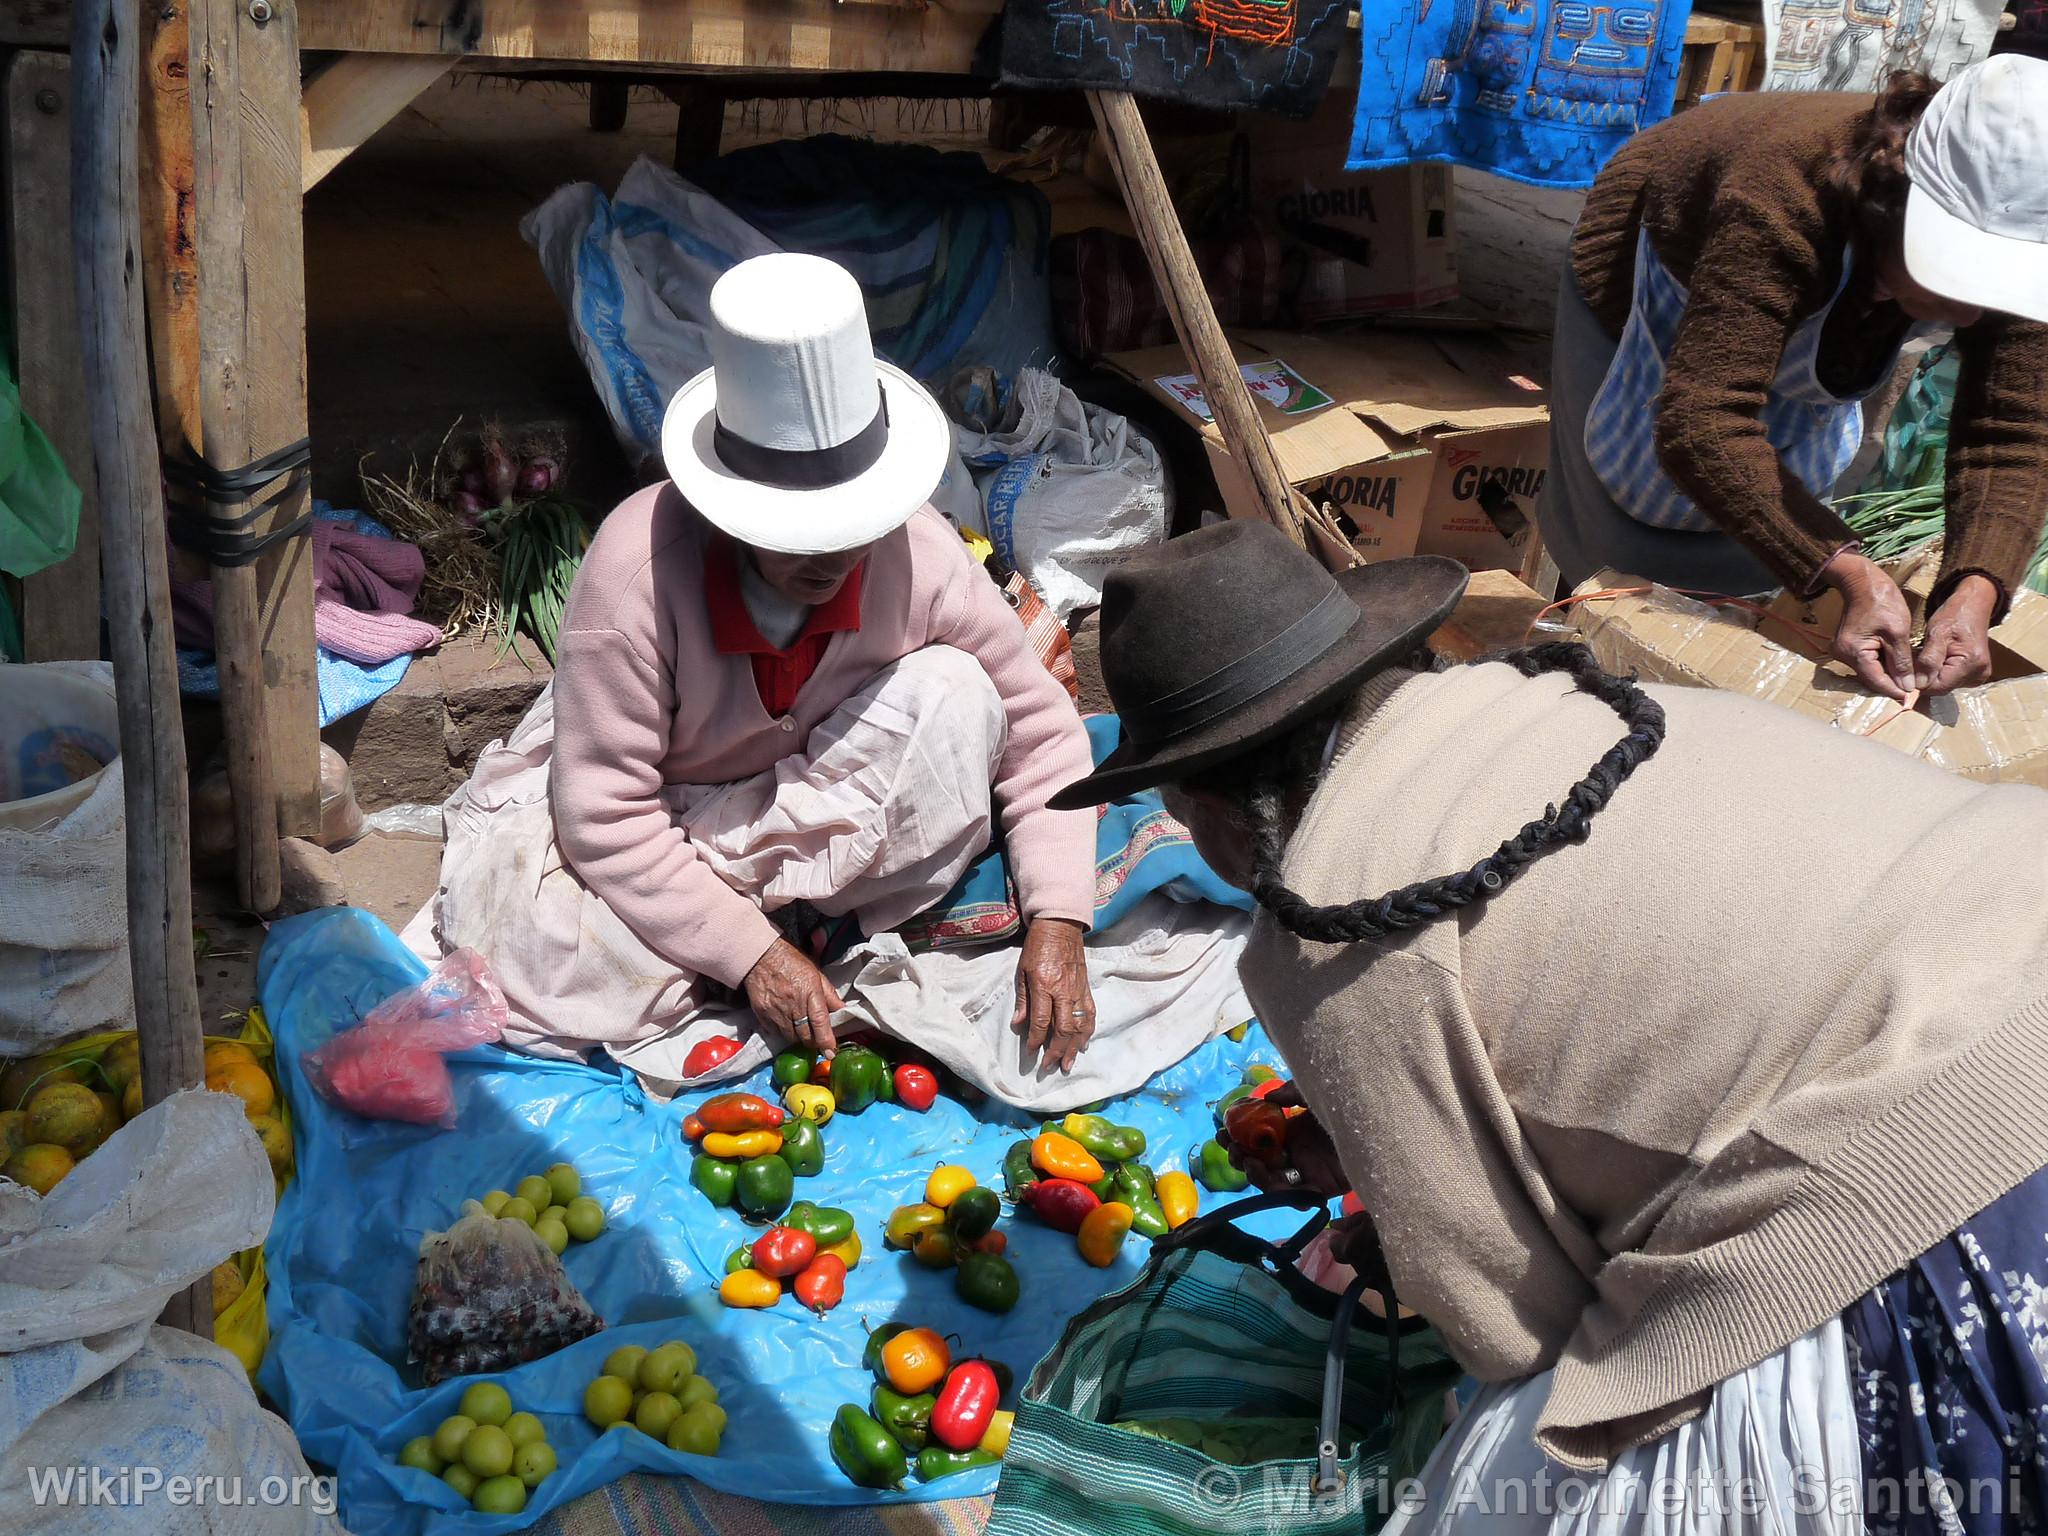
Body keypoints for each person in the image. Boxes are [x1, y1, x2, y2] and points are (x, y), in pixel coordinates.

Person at [1053, 520, 2048, 1529]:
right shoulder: (1589, 700)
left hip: (1946, 1204)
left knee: (1508, 1482)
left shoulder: (1319, 919)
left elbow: (1514, 1324)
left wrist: (1414, 1244)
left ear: (1216, 812)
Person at [414, 253, 1100, 1087]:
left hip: (830, 788)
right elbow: (603, 813)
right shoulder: (634, 577)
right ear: (729, 511)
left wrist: (1060, 919)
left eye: (853, 526)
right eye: (798, 533)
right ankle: (784, 932)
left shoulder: (918, 554)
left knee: (962, 699)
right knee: (535, 939)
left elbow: (1042, 731)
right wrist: (750, 955)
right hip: (677, 817)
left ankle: (793, 922)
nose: (835, 558)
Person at [1538, 55, 2048, 703]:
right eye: (1960, 277)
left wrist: (1974, 591)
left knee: (1766, 549)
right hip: (1670, 252)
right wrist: (1855, 574)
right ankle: (1567, 670)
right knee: (1626, 547)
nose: (1975, 314)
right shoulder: (1779, 191)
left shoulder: (2033, 218)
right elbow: (1702, 421)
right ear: (1894, 207)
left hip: (1818, 278)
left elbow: (2010, 437)